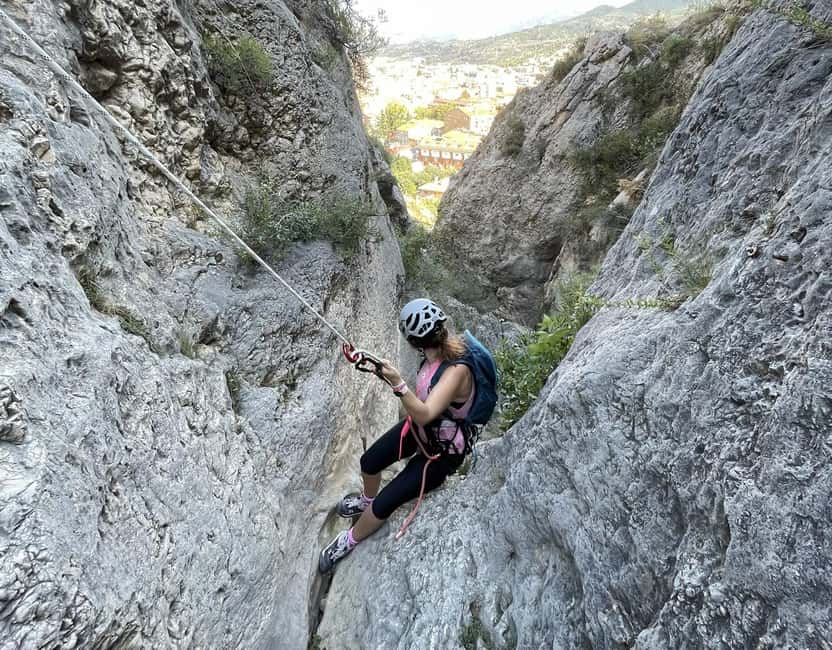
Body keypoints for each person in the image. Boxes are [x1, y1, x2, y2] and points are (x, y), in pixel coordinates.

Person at [318, 298, 474, 573]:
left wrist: (396, 382)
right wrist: (371, 363)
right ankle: (364, 502)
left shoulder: (457, 370)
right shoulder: (433, 357)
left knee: (384, 503)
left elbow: (426, 412)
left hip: (441, 454)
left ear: (413, 340)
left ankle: (348, 540)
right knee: (370, 462)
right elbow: (418, 401)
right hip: (420, 430)